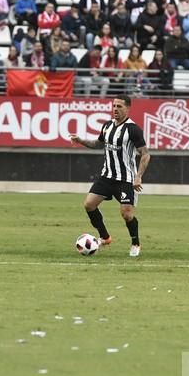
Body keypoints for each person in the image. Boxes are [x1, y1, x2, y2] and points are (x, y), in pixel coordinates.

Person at [70, 95, 151, 257]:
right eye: (114, 106)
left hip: (126, 179)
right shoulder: (107, 126)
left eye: (119, 106)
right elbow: (98, 144)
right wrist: (81, 141)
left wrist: (138, 176)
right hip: (107, 176)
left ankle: (135, 243)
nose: (115, 109)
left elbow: (145, 154)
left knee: (127, 214)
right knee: (89, 205)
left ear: (128, 108)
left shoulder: (133, 129)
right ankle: (105, 237)